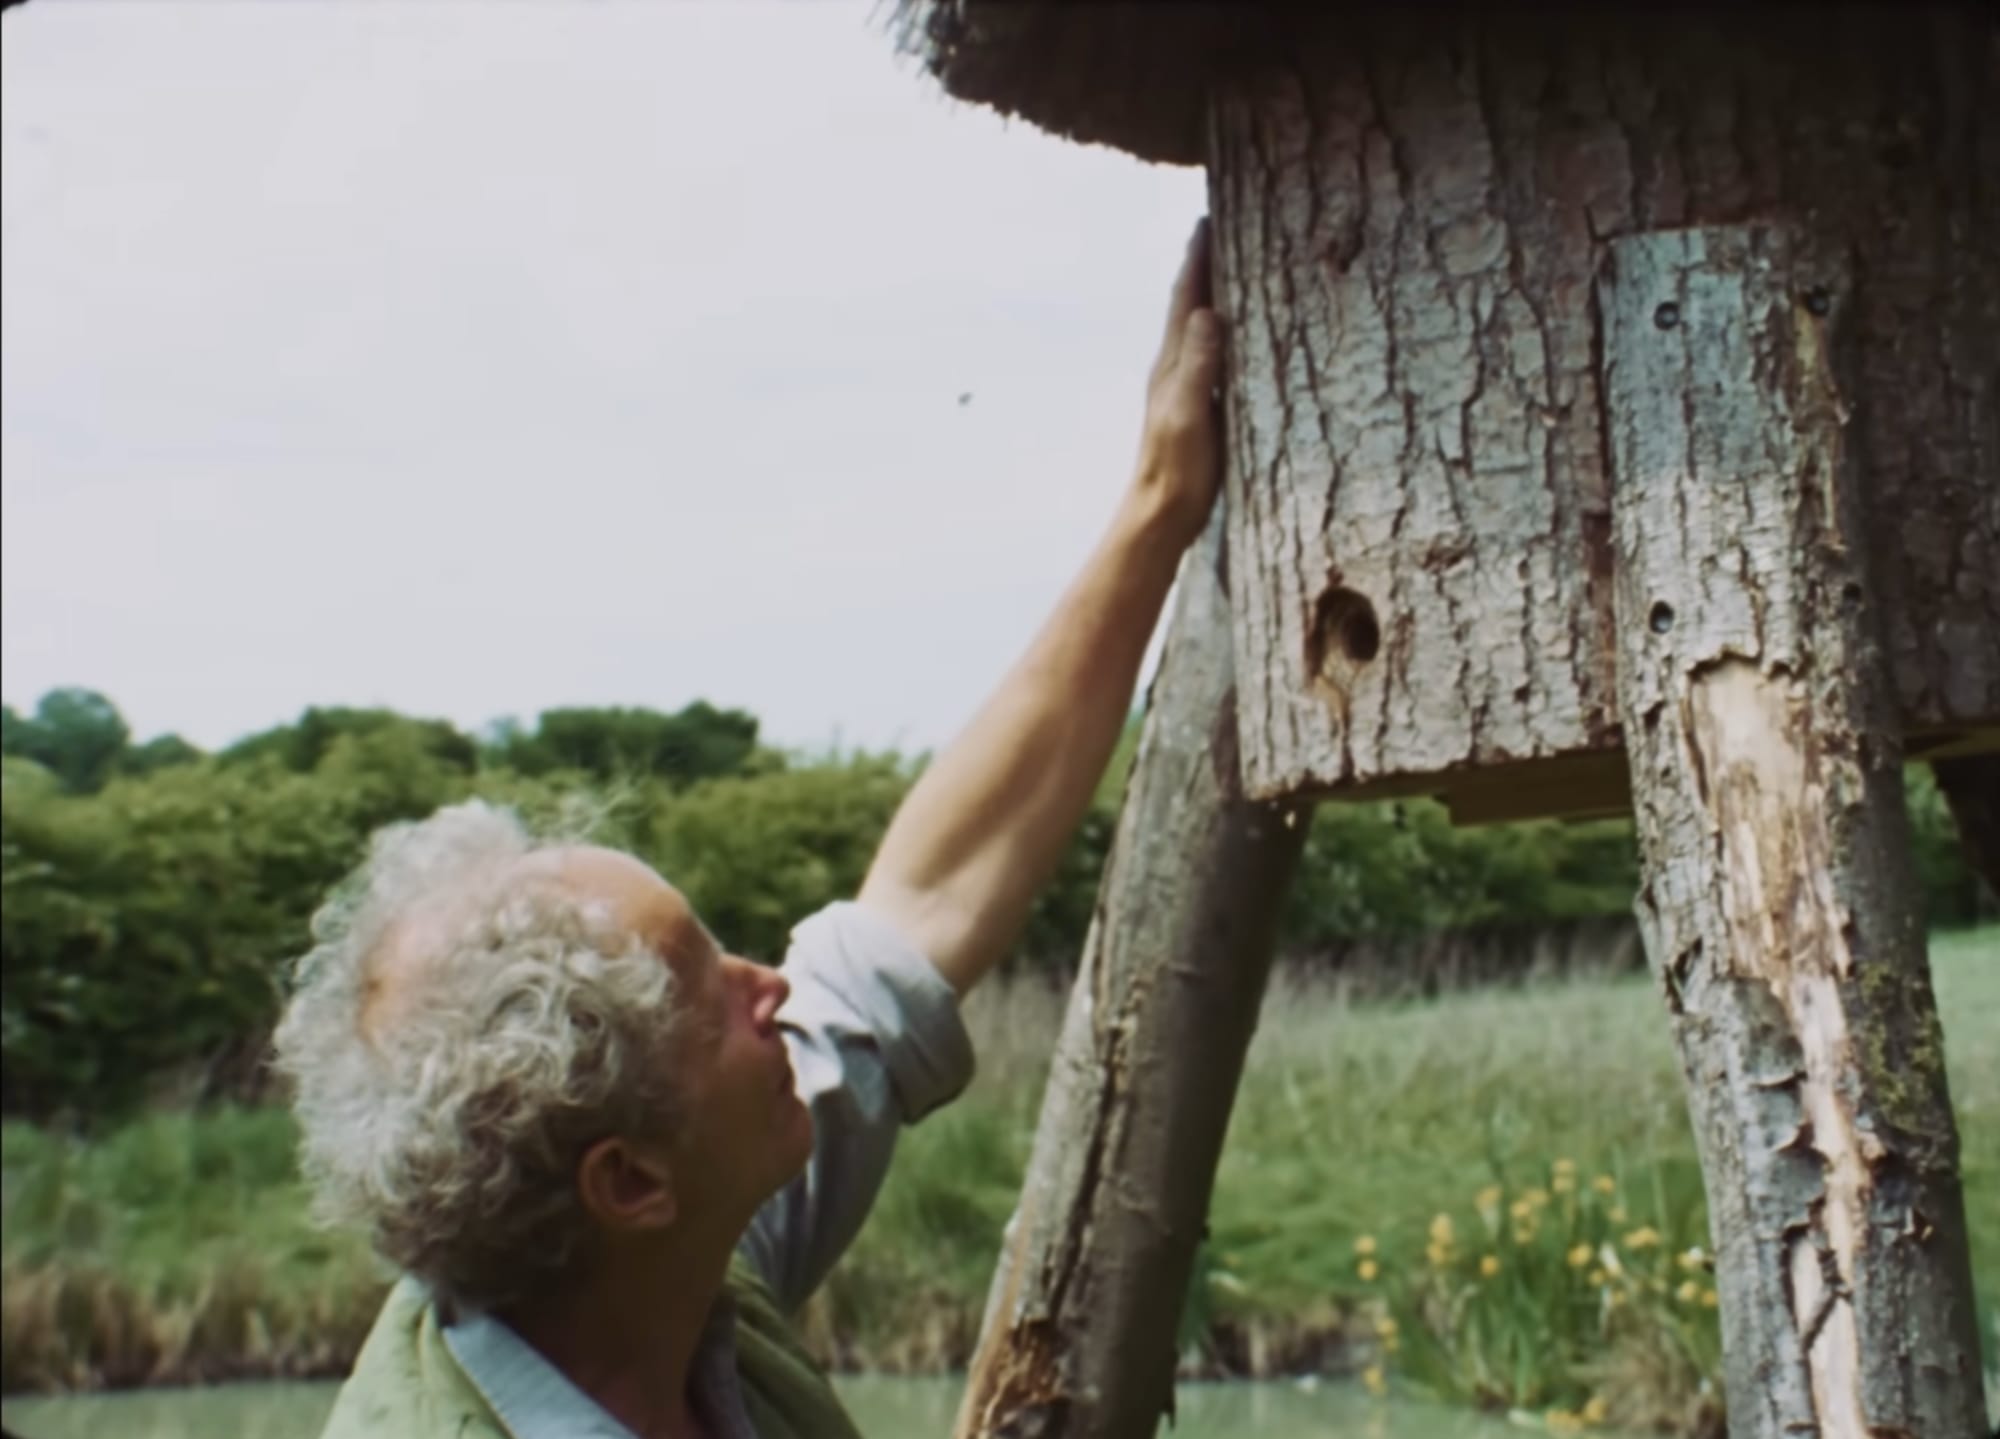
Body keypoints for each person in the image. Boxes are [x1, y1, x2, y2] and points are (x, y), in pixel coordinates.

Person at [274, 219, 1224, 1439]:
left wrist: (1156, 502)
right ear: (628, 1178)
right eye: (705, 986)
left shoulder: (634, 1269)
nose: (771, 982)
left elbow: (919, 905)